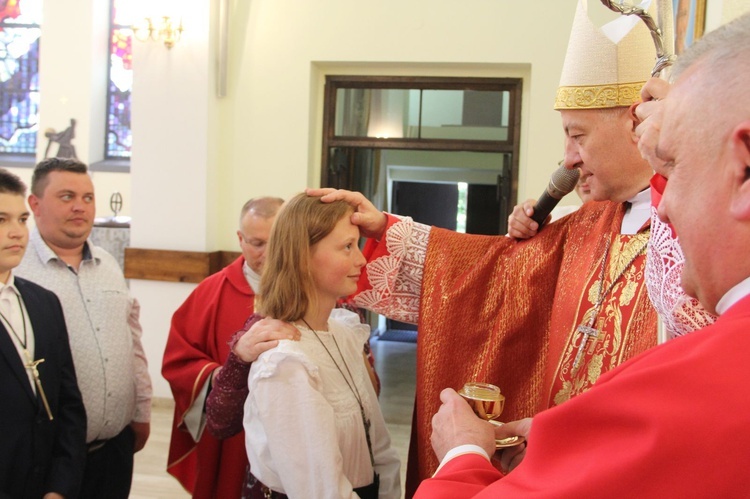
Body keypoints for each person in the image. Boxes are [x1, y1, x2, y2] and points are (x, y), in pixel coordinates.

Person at [310, 0, 661, 491]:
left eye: (576, 134)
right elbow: (492, 279)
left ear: (635, 123)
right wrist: (384, 231)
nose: (569, 158)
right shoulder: (588, 223)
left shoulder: (689, 234)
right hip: (557, 464)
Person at [413, 12, 750, 496]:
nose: (667, 204)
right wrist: (558, 435)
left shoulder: (716, 361)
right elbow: (488, 282)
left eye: (675, 167)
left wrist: (464, 454)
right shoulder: (581, 223)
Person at [231, 193, 401, 498]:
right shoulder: (286, 363)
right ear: (303, 257)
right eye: (347, 247)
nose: (361, 259)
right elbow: (320, 490)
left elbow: (379, 448)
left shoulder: (344, 333)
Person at [15, 157, 152, 499]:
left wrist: (141, 409)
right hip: (49, 455)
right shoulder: (17, 272)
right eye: (66, 197)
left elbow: (131, 339)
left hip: (114, 447)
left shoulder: (107, 264)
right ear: (35, 204)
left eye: (88, 198)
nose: (80, 207)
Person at [162, 197, 295, 498]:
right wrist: (225, 377)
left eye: (276, 242)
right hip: (232, 437)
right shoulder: (211, 292)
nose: (268, 253)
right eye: (256, 243)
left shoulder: (310, 290)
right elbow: (178, 362)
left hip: (292, 429)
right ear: (240, 239)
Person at [0, 168, 87, 499]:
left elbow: (68, 405)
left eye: (22, 220)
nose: (16, 232)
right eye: (1, 220)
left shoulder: (44, 303)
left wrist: (59, 487)